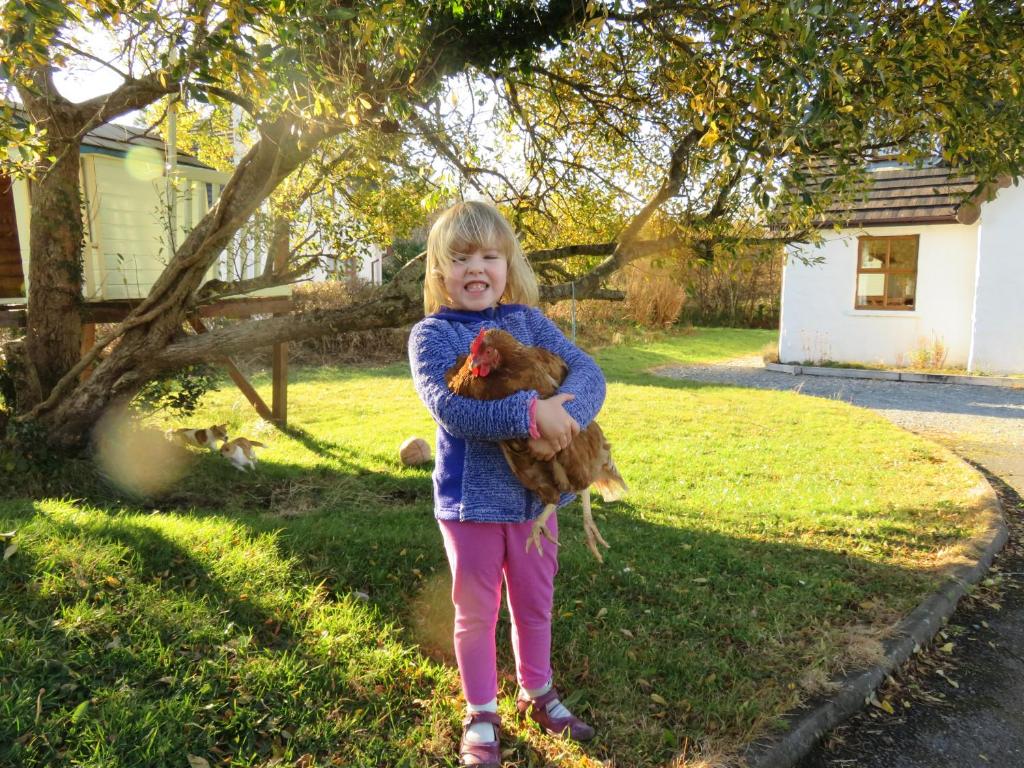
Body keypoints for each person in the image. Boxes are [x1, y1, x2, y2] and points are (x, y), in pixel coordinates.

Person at [409, 201, 606, 766]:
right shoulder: (431, 335)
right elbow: (451, 408)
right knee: (475, 611)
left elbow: (589, 371)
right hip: (470, 504)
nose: (477, 267)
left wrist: (565, 418)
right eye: (461, 257)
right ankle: (481, 710)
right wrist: (530, 415)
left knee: (535, 603)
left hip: (536, 501)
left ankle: (537, 692)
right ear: (440, 271)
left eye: (489, 255)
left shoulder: (528, 322)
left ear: (508, 264)